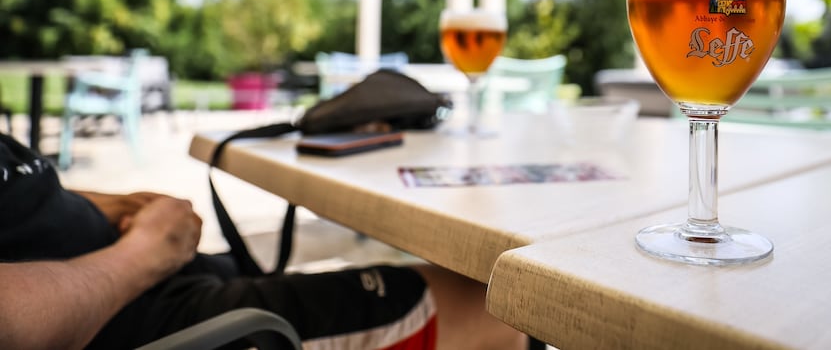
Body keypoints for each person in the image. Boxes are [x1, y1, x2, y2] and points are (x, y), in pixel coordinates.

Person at [0, 133, 525, 350]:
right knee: (494, 305)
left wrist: (105, 205)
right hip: (125, 316)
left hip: (128, 275)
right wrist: (144, 253)